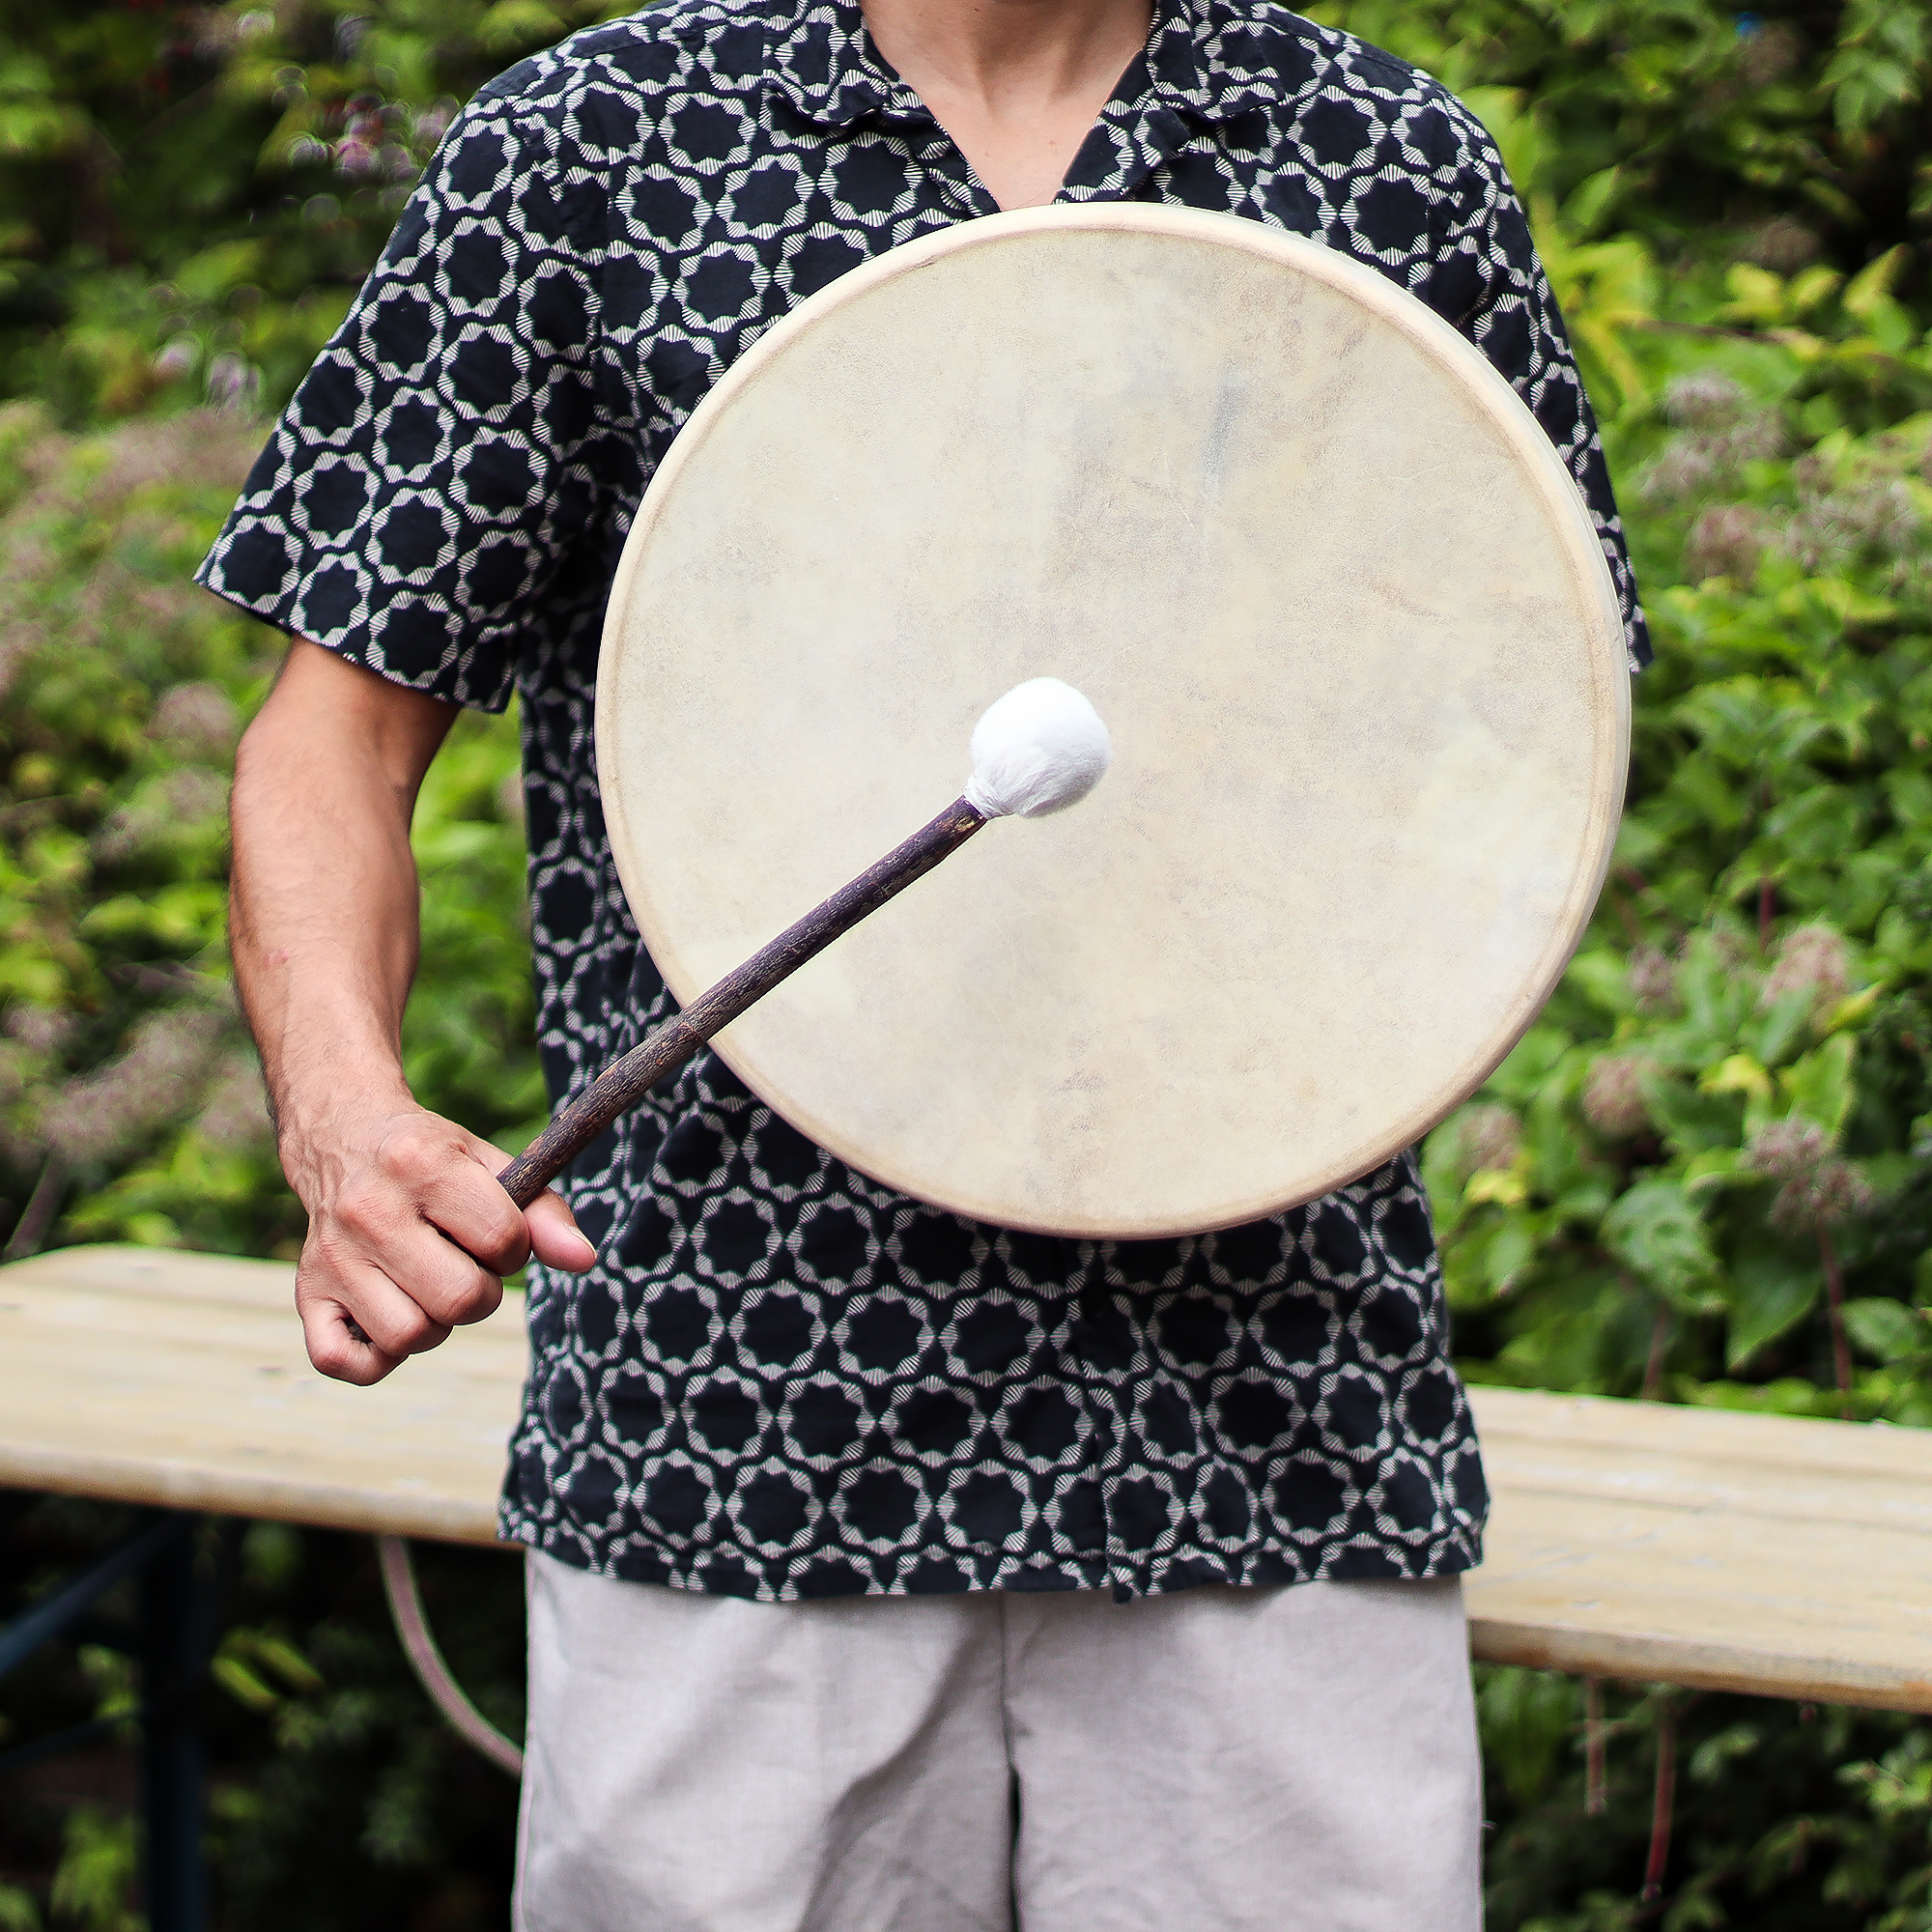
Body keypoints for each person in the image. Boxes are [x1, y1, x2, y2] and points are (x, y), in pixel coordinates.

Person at [206, 0, 1648, 1925]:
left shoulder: (1376, 158)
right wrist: (342, 1117)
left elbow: (1534, 713)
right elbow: (335, 738)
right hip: (731, 1417)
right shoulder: (597, 146)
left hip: (1272, 1428)